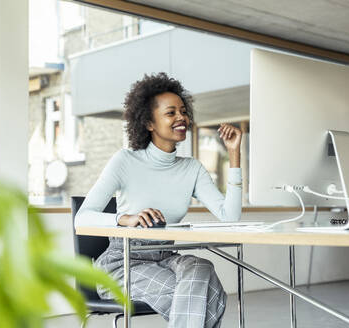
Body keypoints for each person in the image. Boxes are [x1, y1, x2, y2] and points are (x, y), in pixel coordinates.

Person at [75, 72, 243, 328]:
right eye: (171, 113)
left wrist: (234, 156)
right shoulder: (125, 161)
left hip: (165, 258)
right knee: (209, 296)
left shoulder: (192, 169)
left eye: (183, 112)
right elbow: (82, 218)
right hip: (123, 264)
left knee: (202, 267)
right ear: (149, 123)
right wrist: (126, 219)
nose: (181, 118)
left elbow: (229, 216)